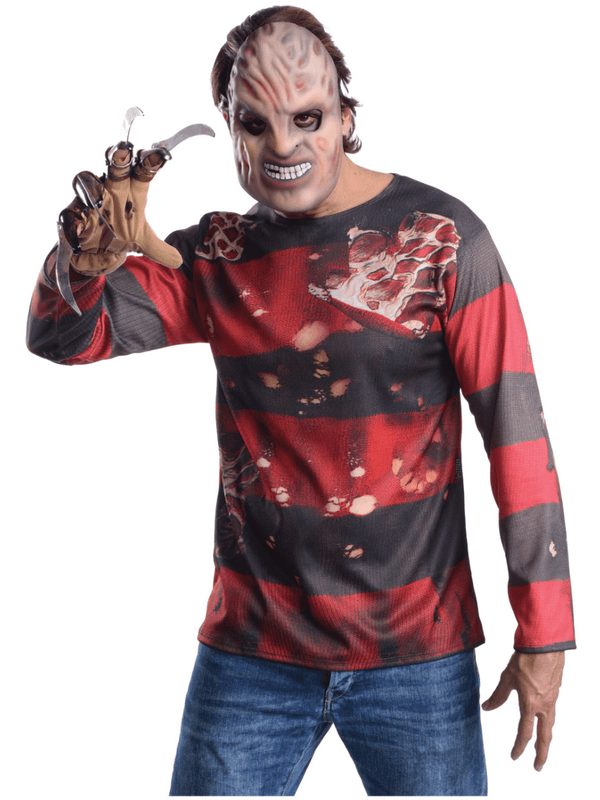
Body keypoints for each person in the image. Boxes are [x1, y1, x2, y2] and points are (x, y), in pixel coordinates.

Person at [26, 5, 575, 796]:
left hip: (416, 655)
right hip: (250, 655)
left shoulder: (445, 240)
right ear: (227, 128)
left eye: (307, 118)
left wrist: (545, 633)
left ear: (346, 116)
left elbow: (517, 436)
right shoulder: (215, 257)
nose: (283, 145)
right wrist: (81, 261)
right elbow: (61, 336)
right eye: (255, 124)